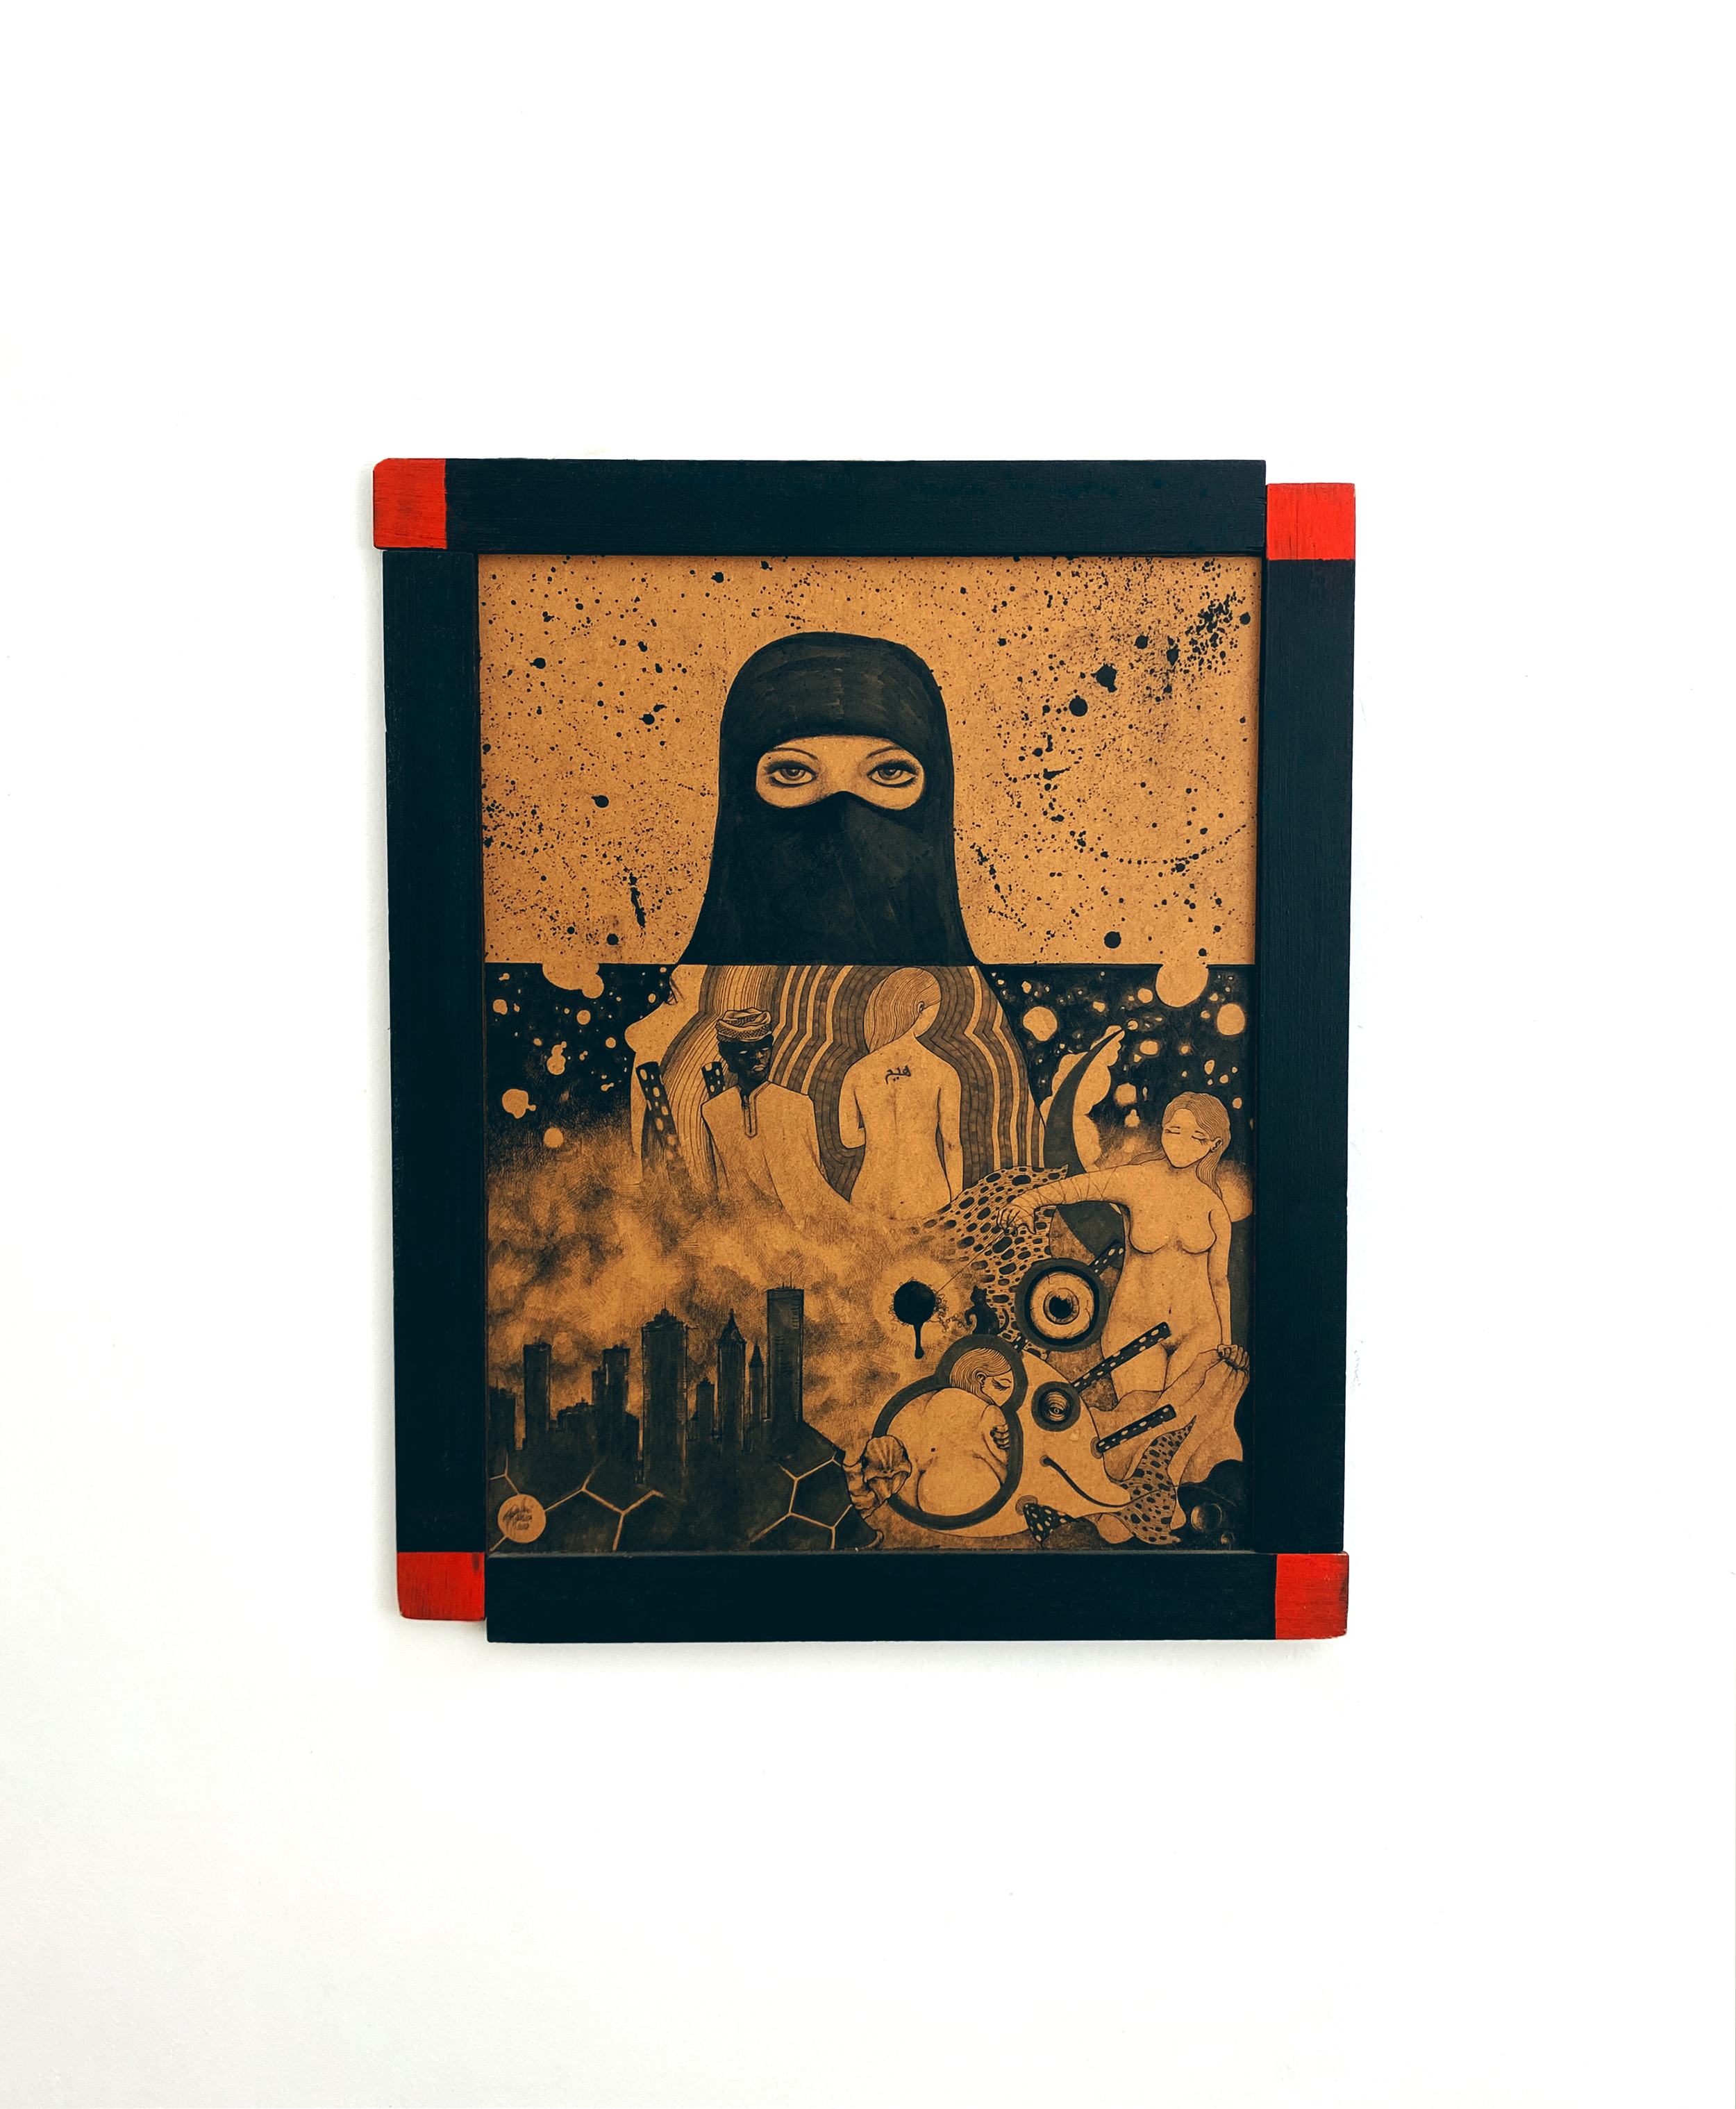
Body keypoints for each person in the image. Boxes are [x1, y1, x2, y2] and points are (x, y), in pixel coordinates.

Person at [682, 632, 976, 965]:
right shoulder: (667, 999)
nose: (843, 815)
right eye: (793, 772)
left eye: (888, 772)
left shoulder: (991, 999)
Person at [1000, 1092, 1235, 1398]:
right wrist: (1027, 1201)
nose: (1181, 1143)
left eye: (1197, 1137)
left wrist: (1226, 1342)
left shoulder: (1214, 1207)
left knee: (1180, 1419)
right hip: (1134, 1325)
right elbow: (1078, 1187)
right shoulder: (1136, 1180)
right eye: (1173, 1131)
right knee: (1137, 1412)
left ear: (1213, 1145)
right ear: (1163, 1131)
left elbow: (1219, 1280)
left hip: (1200, 1331)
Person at [699, 1006, 854, 1240]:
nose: (757, 1058)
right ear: (728, 1058)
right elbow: (723, 1184)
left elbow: (817, 1177)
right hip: (746, 1231)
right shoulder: (713, 1110)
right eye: (745, 1052)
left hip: (801, 1228)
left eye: (764, 1050)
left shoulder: (798, 1105)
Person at [837, 969, 963, 1220]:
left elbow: (849, 1139)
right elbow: (951, 1144)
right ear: (920, 1008)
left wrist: (880, 1130)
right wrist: (957, 1204)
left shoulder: (857, 1072)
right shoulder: (943, 1072)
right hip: (926, 1193)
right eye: (935, 1009)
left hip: (869, 1195)